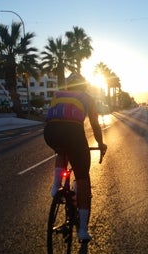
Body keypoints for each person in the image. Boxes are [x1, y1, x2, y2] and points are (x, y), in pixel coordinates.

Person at [44, 73, 107, 242]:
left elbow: (52, 117)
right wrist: (100, 144)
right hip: (73, 134)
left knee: (62, 151)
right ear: (84, 86)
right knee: (82, 179)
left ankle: (56, 186)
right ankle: (83, 231)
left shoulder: (58, 95)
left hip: (50, 133)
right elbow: (94, 124)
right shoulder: (87, 97)